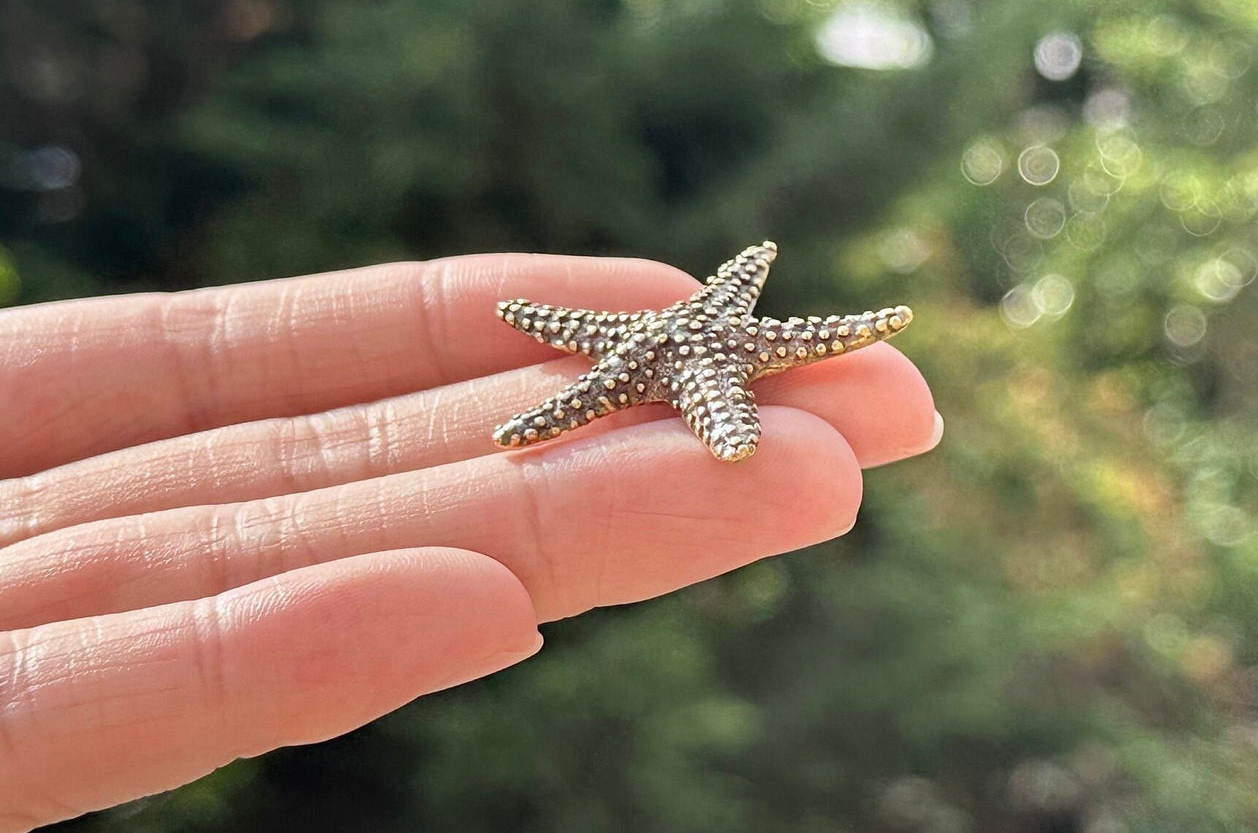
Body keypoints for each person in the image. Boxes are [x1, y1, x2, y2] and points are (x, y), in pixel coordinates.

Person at [0, 252, 941, 830]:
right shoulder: (668, 338)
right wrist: (601, 408)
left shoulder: (685, 336)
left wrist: (726, 411)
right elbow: (598, 356)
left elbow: (683, 368)